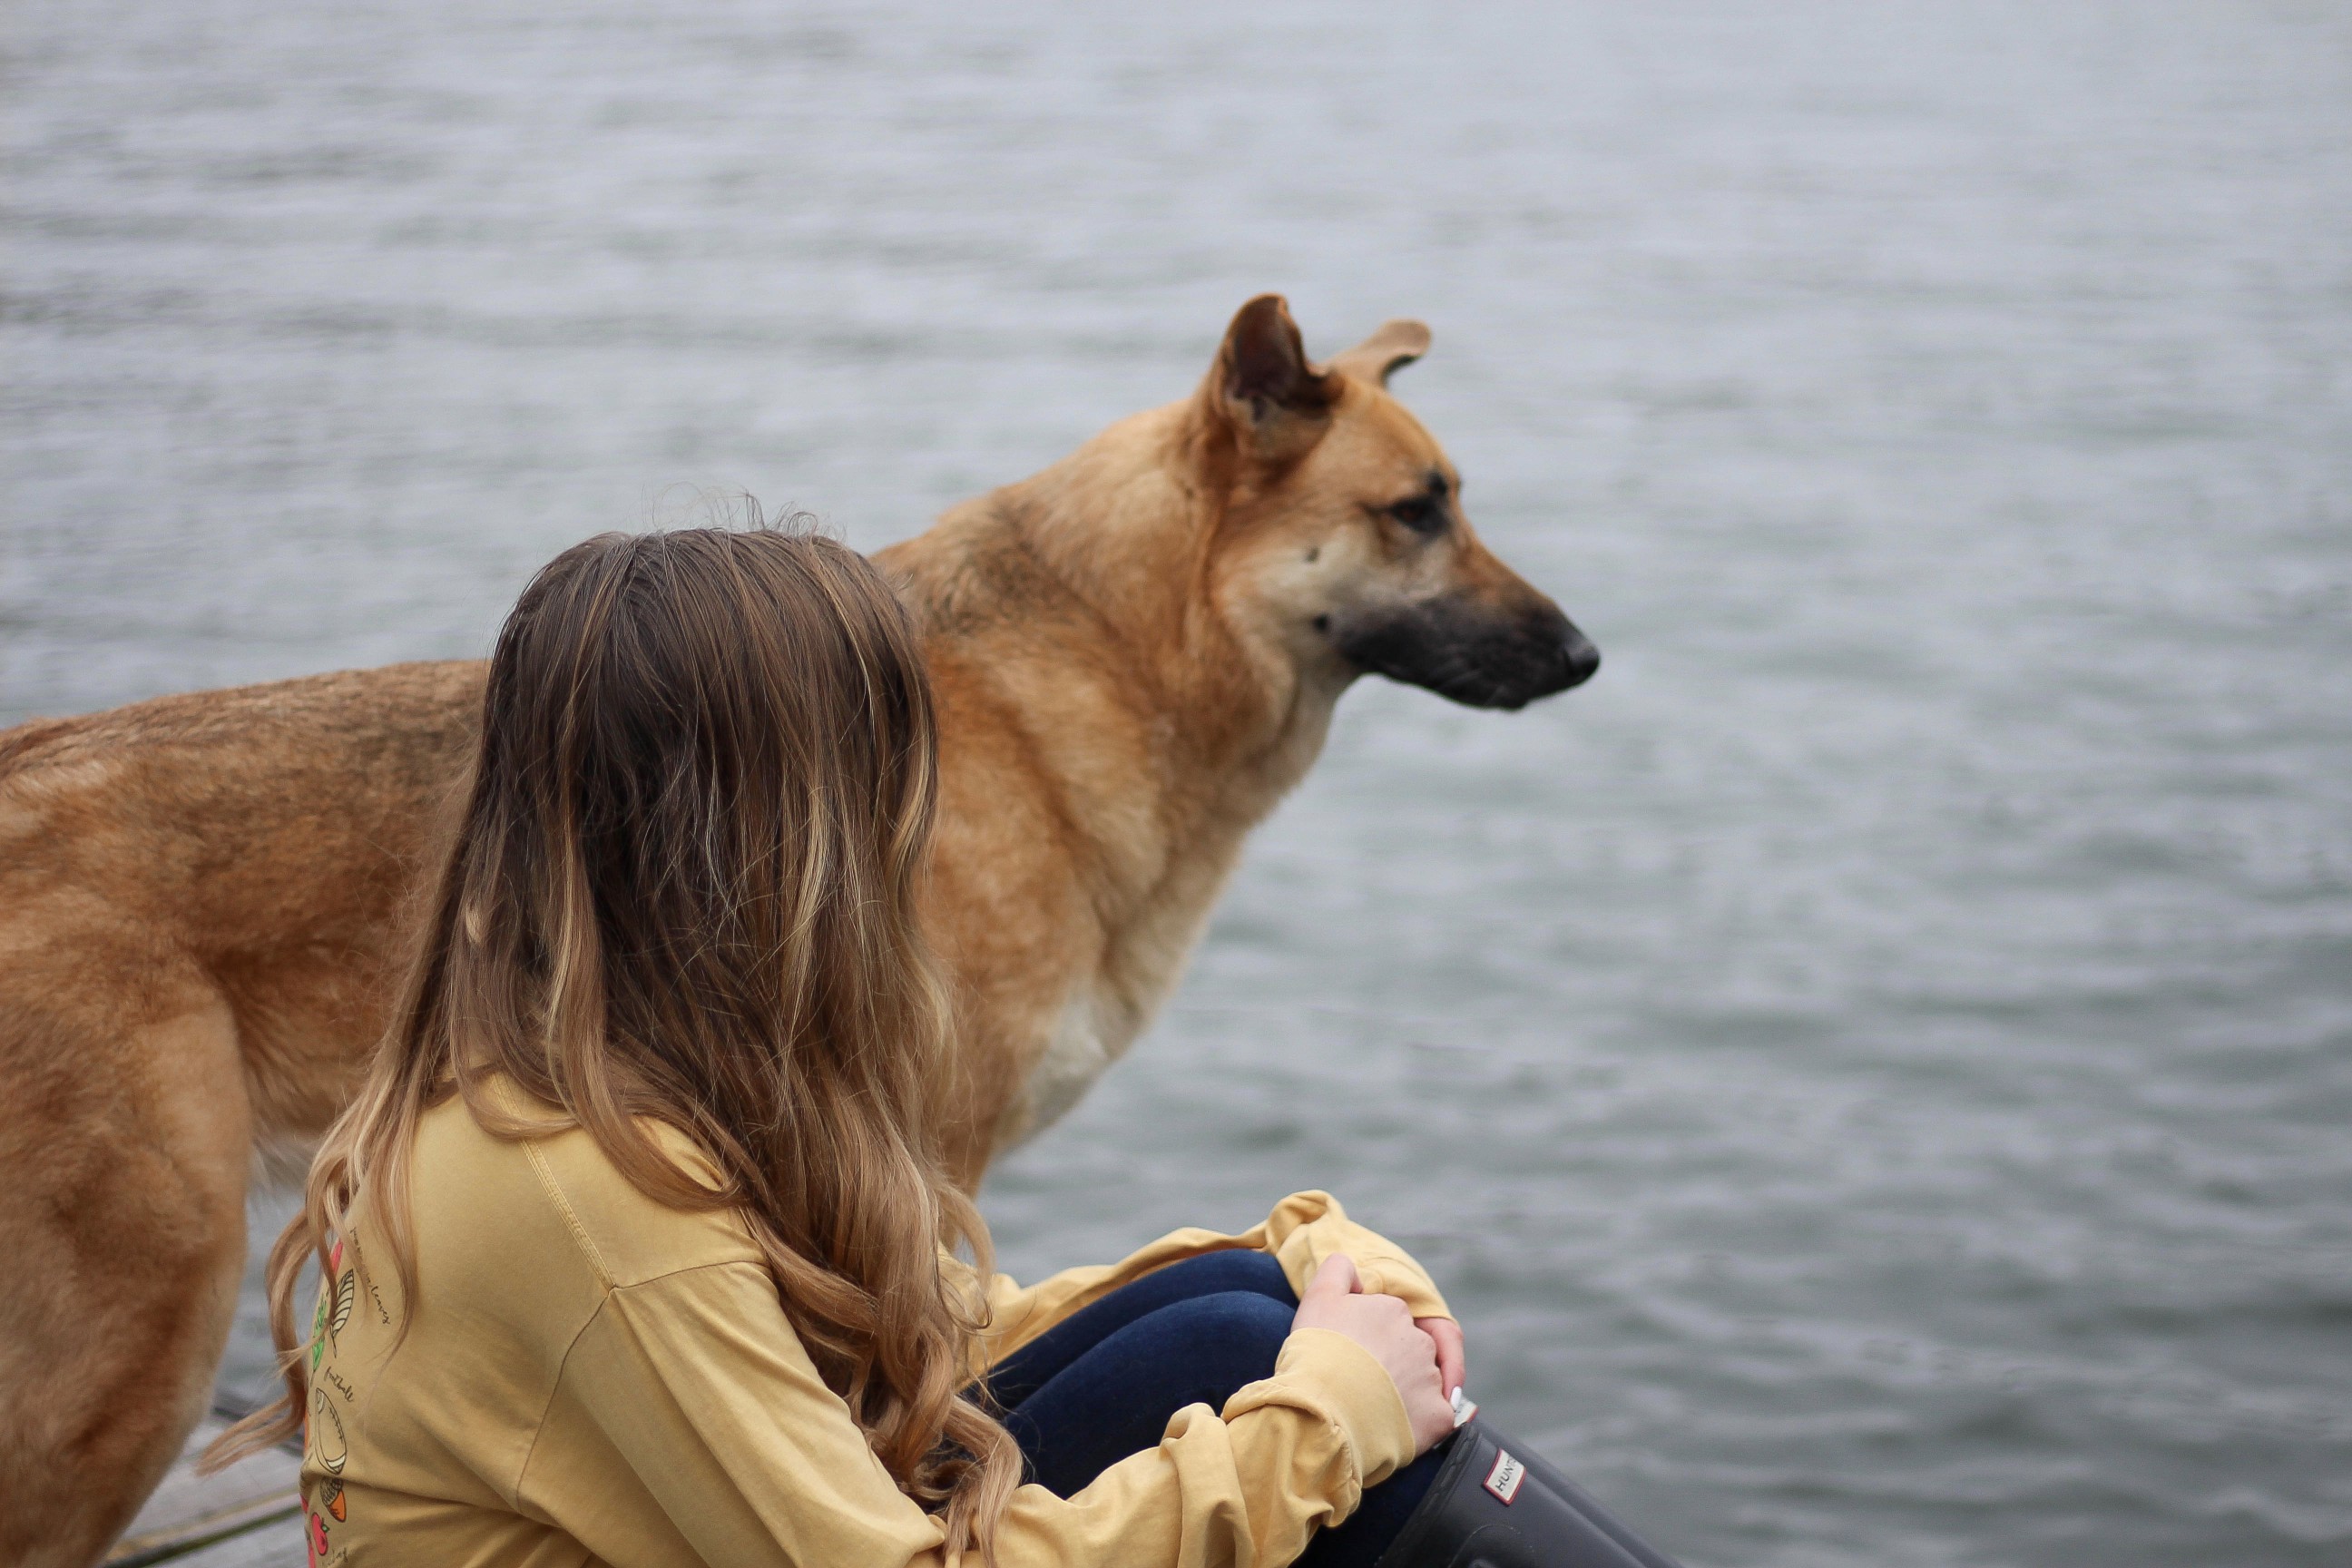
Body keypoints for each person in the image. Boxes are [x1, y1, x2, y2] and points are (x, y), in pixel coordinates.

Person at [214, 526, 1466, 1568]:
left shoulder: (583, 1082)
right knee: (1264, 1385)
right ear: (785, 838)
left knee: (1241, 1316)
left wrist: (1315, 1261)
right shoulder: (582, 1187)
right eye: (896, 773)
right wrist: (1325, 1420)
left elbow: (935, 1332)